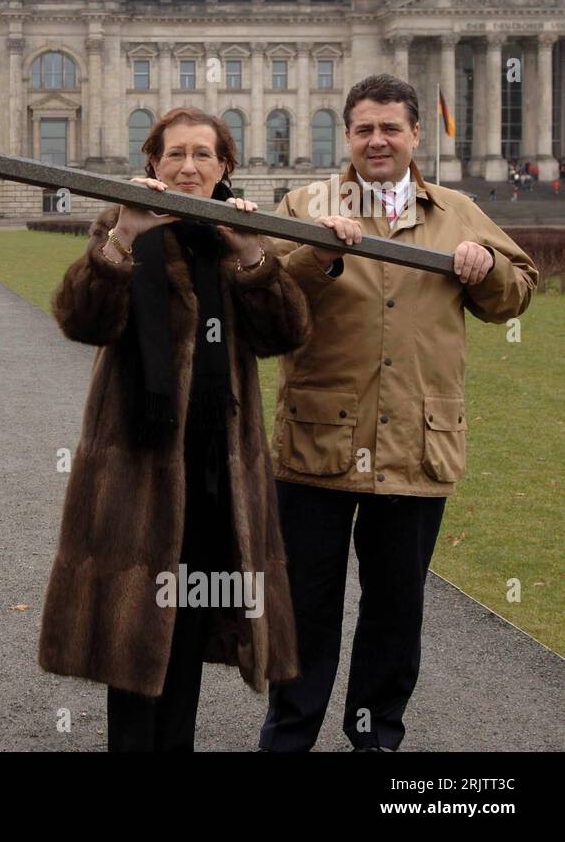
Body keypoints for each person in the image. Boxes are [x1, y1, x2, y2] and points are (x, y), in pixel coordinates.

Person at [259, 74, 537, 751]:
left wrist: (487, 270)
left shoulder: (457, 212)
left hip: (417, 443)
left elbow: (517, 293)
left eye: (391, 128)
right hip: (317, 443)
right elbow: (262, 307)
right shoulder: (306, 203)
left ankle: (376, 738)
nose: (377, 140)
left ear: (416, 135)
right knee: (304, 610)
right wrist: (314, 256)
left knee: (395, 611)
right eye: (364, 129)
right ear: (347, 136)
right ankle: (289, 737)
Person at [38, 107, 315, 752]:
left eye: (202, 154)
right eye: (174, 155)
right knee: (135, 642)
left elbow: (285, 334)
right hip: (135, 468)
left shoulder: (237, 236)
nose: (187, 167)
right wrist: (123, 239)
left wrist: (253, 255)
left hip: (218, 472)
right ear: (152, 164)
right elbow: (82, 320)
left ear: (225, 167)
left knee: (187, 632)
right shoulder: (121, 226)